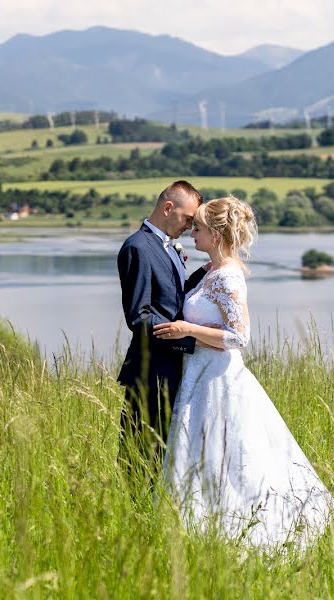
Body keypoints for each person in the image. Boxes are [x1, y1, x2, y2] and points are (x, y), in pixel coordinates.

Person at [154, 196, 334, 549]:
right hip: (199, 374)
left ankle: (243, 529)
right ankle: (195, 531)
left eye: (198, 229)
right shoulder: (210, 272)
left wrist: (188, 329)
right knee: (200, 453)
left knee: (231, 457)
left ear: (217, 234)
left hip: (219, 378)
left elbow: (239, 336)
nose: (192, 233)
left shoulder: (229, 276)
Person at [116, 180, 211, 474]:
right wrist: (189, 339)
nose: (189, 226)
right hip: (150, 371)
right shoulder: (138, 247)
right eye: (187, 219)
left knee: (166, 458)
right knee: (141, 459)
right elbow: (140, 317)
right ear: (168, 208)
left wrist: (205, 273)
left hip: (172, 371)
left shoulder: (165, 246)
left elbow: (172, 298)